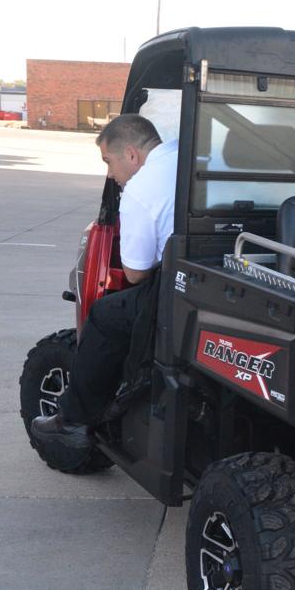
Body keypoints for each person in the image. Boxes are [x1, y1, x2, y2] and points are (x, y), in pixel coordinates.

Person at [31, 114, 177, 448]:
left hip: (177, 290)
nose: (110, 174)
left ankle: (75, 421)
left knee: (105, 315)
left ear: (131, 155)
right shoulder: (185, 154)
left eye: (108, 162)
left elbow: (136, 273)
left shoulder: (142, 187)